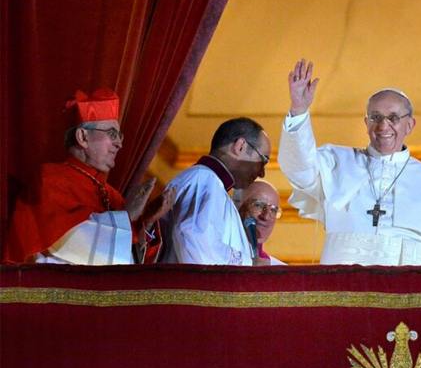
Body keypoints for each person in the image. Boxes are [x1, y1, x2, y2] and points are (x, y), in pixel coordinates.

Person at [278, 59, 421, 266]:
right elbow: (299, 168)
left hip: (406, 292)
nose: (383, 126)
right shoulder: (336, 163)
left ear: (409, 125)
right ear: (366, 123)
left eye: (393, 118)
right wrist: (298, 111)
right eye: (375, 117)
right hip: (342, 287)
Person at [3, 88, 174, 265]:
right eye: (112, 134)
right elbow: (70, 243)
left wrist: (147, 222)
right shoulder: (50, 179)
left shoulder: (113, 195)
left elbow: (128, 262)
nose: (120, 143)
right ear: (83, 137)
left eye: (120, 136)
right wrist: (126, 216)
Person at [160, 117, 271, 265]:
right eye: (263, 160)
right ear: (240, 146)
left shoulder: (213, 184)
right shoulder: (203, 178)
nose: (262, 173)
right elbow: (196, 244)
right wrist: (249, 263)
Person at [235, 180, 287, 265]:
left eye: (273, 210)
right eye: (258, 205)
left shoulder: (279, 269)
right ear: (237, 206)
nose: (266, 217)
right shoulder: (219, 253)